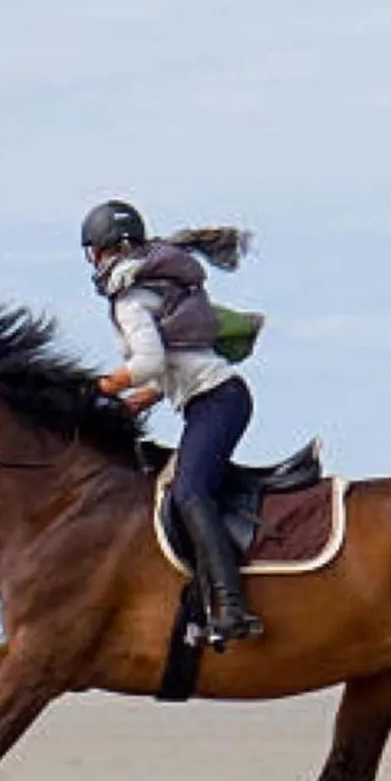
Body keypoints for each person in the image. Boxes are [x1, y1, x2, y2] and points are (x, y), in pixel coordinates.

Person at [81, 198, 264, 642]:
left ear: (108, 249)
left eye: (93, 250)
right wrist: (131, 405)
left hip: (216, 401)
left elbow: (148, 361)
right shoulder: (159, 285)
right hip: (216, 399)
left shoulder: (130, 298)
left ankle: (231, 607)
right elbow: (172, 372)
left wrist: (95, 390)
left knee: (190, 492)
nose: (91, 260)